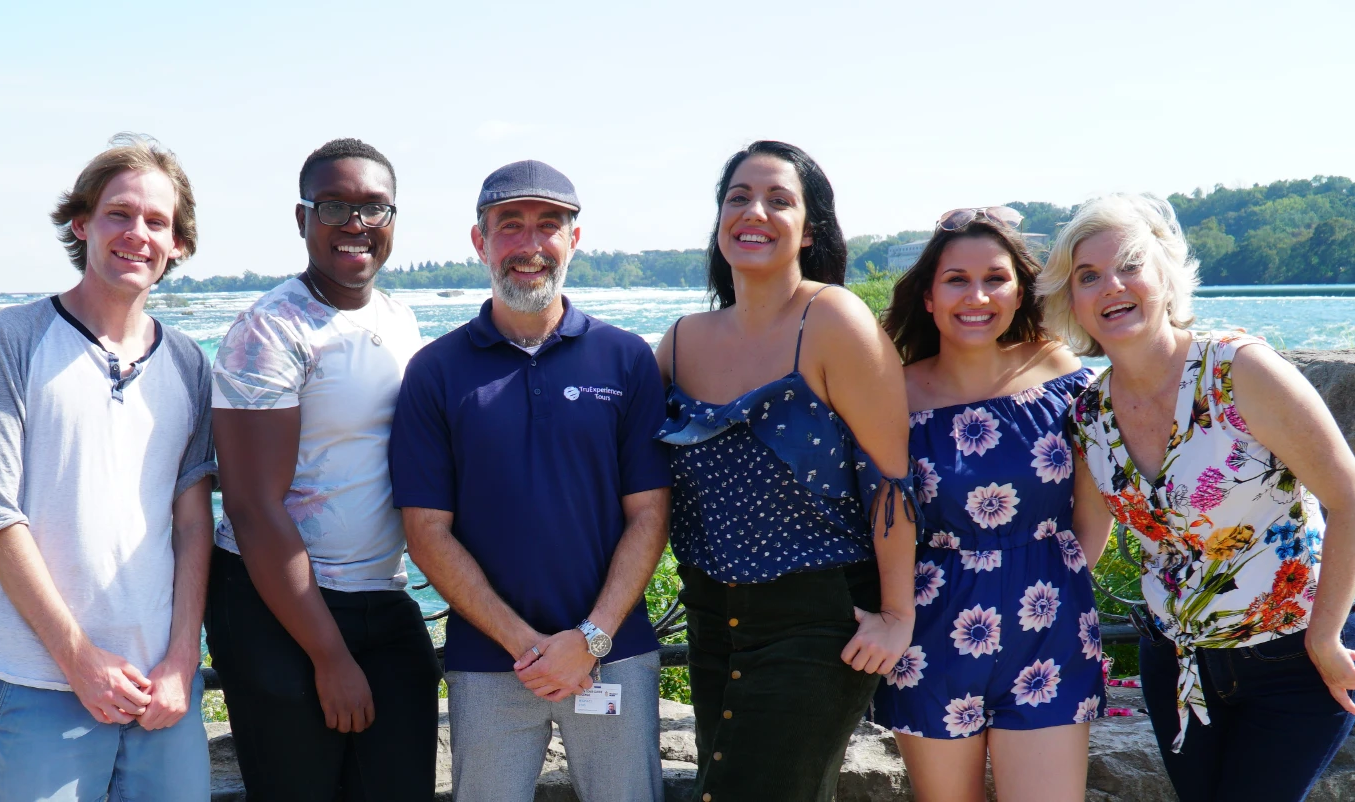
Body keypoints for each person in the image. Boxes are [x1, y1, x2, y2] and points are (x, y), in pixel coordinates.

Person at [1043, 194, 1355, 802]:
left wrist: (1326, 639)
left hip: (1296, 660)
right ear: (1073, 302)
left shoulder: (1238, 371)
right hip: (1176, 667)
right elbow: (1083, 544)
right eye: (1087, 276)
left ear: (1166, 276)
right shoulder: (1089, 414)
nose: (1111, 285)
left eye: (1130, 265)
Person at [391, 160, 671, 801]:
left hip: (614, 656)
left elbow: (650, 515)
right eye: (509, 225)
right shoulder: (435, 372)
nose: (529, 245)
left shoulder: (625, 358)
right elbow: (426, 532)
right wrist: (531, 648)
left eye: (549, 225)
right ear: (479, 241)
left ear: (574, 240)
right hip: (489, 662)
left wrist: (589, 639)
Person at [653, 141, 917, 802]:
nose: (755, 212)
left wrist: (896, 614)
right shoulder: (683, 339)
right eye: (738, 197)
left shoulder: (832, 320)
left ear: (810, 227)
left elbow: (893, 481)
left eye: (779, 199)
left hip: (816, 620)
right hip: (710, 615)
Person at [0, 134, 216, 801]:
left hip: (162, 691)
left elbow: (192, 523)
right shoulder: (12, 339)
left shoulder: (189, 363)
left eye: (157, 222)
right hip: (39, 683)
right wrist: (79, 659)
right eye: (119, 214)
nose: (138, 234)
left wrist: (184, 659)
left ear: (178, 243)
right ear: (82, 224)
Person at [207, 138, 437, 800]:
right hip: (276, 605)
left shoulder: (400, 318)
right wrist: (329, 655)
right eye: (334, 206)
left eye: (374, 208)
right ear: (302, 218)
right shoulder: (270, 330)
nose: (355, 224)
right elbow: (251, 505)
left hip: (382, 595)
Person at [870, 206, 1109, 801]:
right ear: (928, 296)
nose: (977, 295)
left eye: (995, 278)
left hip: (1049, 627)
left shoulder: (1059, 371)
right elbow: (883, 512)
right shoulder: (892, 392)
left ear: (1019, 289)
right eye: (956, 279)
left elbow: (1094, 503)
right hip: (932, 632)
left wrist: (1062, 581)